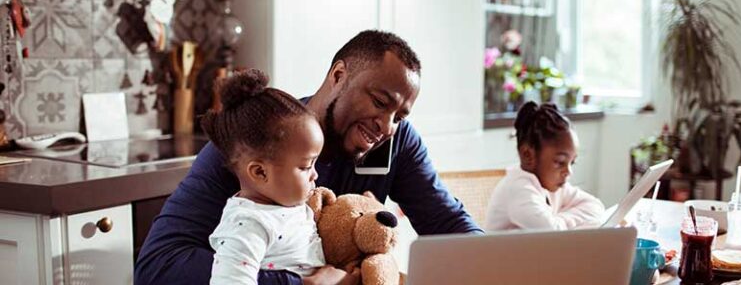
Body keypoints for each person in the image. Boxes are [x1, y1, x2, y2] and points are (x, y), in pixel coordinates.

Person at [135, 30, 483, 285]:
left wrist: (502, 262)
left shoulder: (398, 144)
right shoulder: (254, 142)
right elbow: (158, 267)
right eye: (379, 102)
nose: (387, 127)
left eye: (400, 116)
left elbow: (448, 226)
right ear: (338, 76)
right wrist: (297, 284)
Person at [201, 70, 328, 284]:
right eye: (306, 166)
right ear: (260, 172)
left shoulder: (287, 206)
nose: (315, 174)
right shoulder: (249, 224)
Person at [485, 101, 604, 231]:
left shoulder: (553, 186)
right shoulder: (518, 189)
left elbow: (596, 206)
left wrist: (560, 220)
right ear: (528, 155)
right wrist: (563, 221)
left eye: (572, 163)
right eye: (560, 162)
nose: (568, 171)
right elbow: (552, 231)